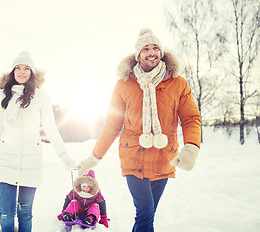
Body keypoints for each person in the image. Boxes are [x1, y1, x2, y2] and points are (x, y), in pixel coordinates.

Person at [77, 29, 201, 232]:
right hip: (134, 157)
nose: (151, 52)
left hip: (164, 157)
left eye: (155, 48)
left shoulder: (178, 83)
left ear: (161, 52)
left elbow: (191, 118)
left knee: (147, 214)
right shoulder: (124, 84)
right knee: (145, 212)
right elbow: (112, 125)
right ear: (138, 55)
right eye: (146, 49)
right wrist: (94, 157)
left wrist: (191, 147)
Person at [0, 51, 76, 232]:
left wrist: (65, 156)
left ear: (32, 72)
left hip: (31, 161)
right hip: (6, 160)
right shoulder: (3, 95)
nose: (22, 72)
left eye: (26, 68)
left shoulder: (41, 96)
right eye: (18, 68)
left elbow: (50, 128)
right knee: (6, 214)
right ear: (12, 71)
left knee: (25, 212)